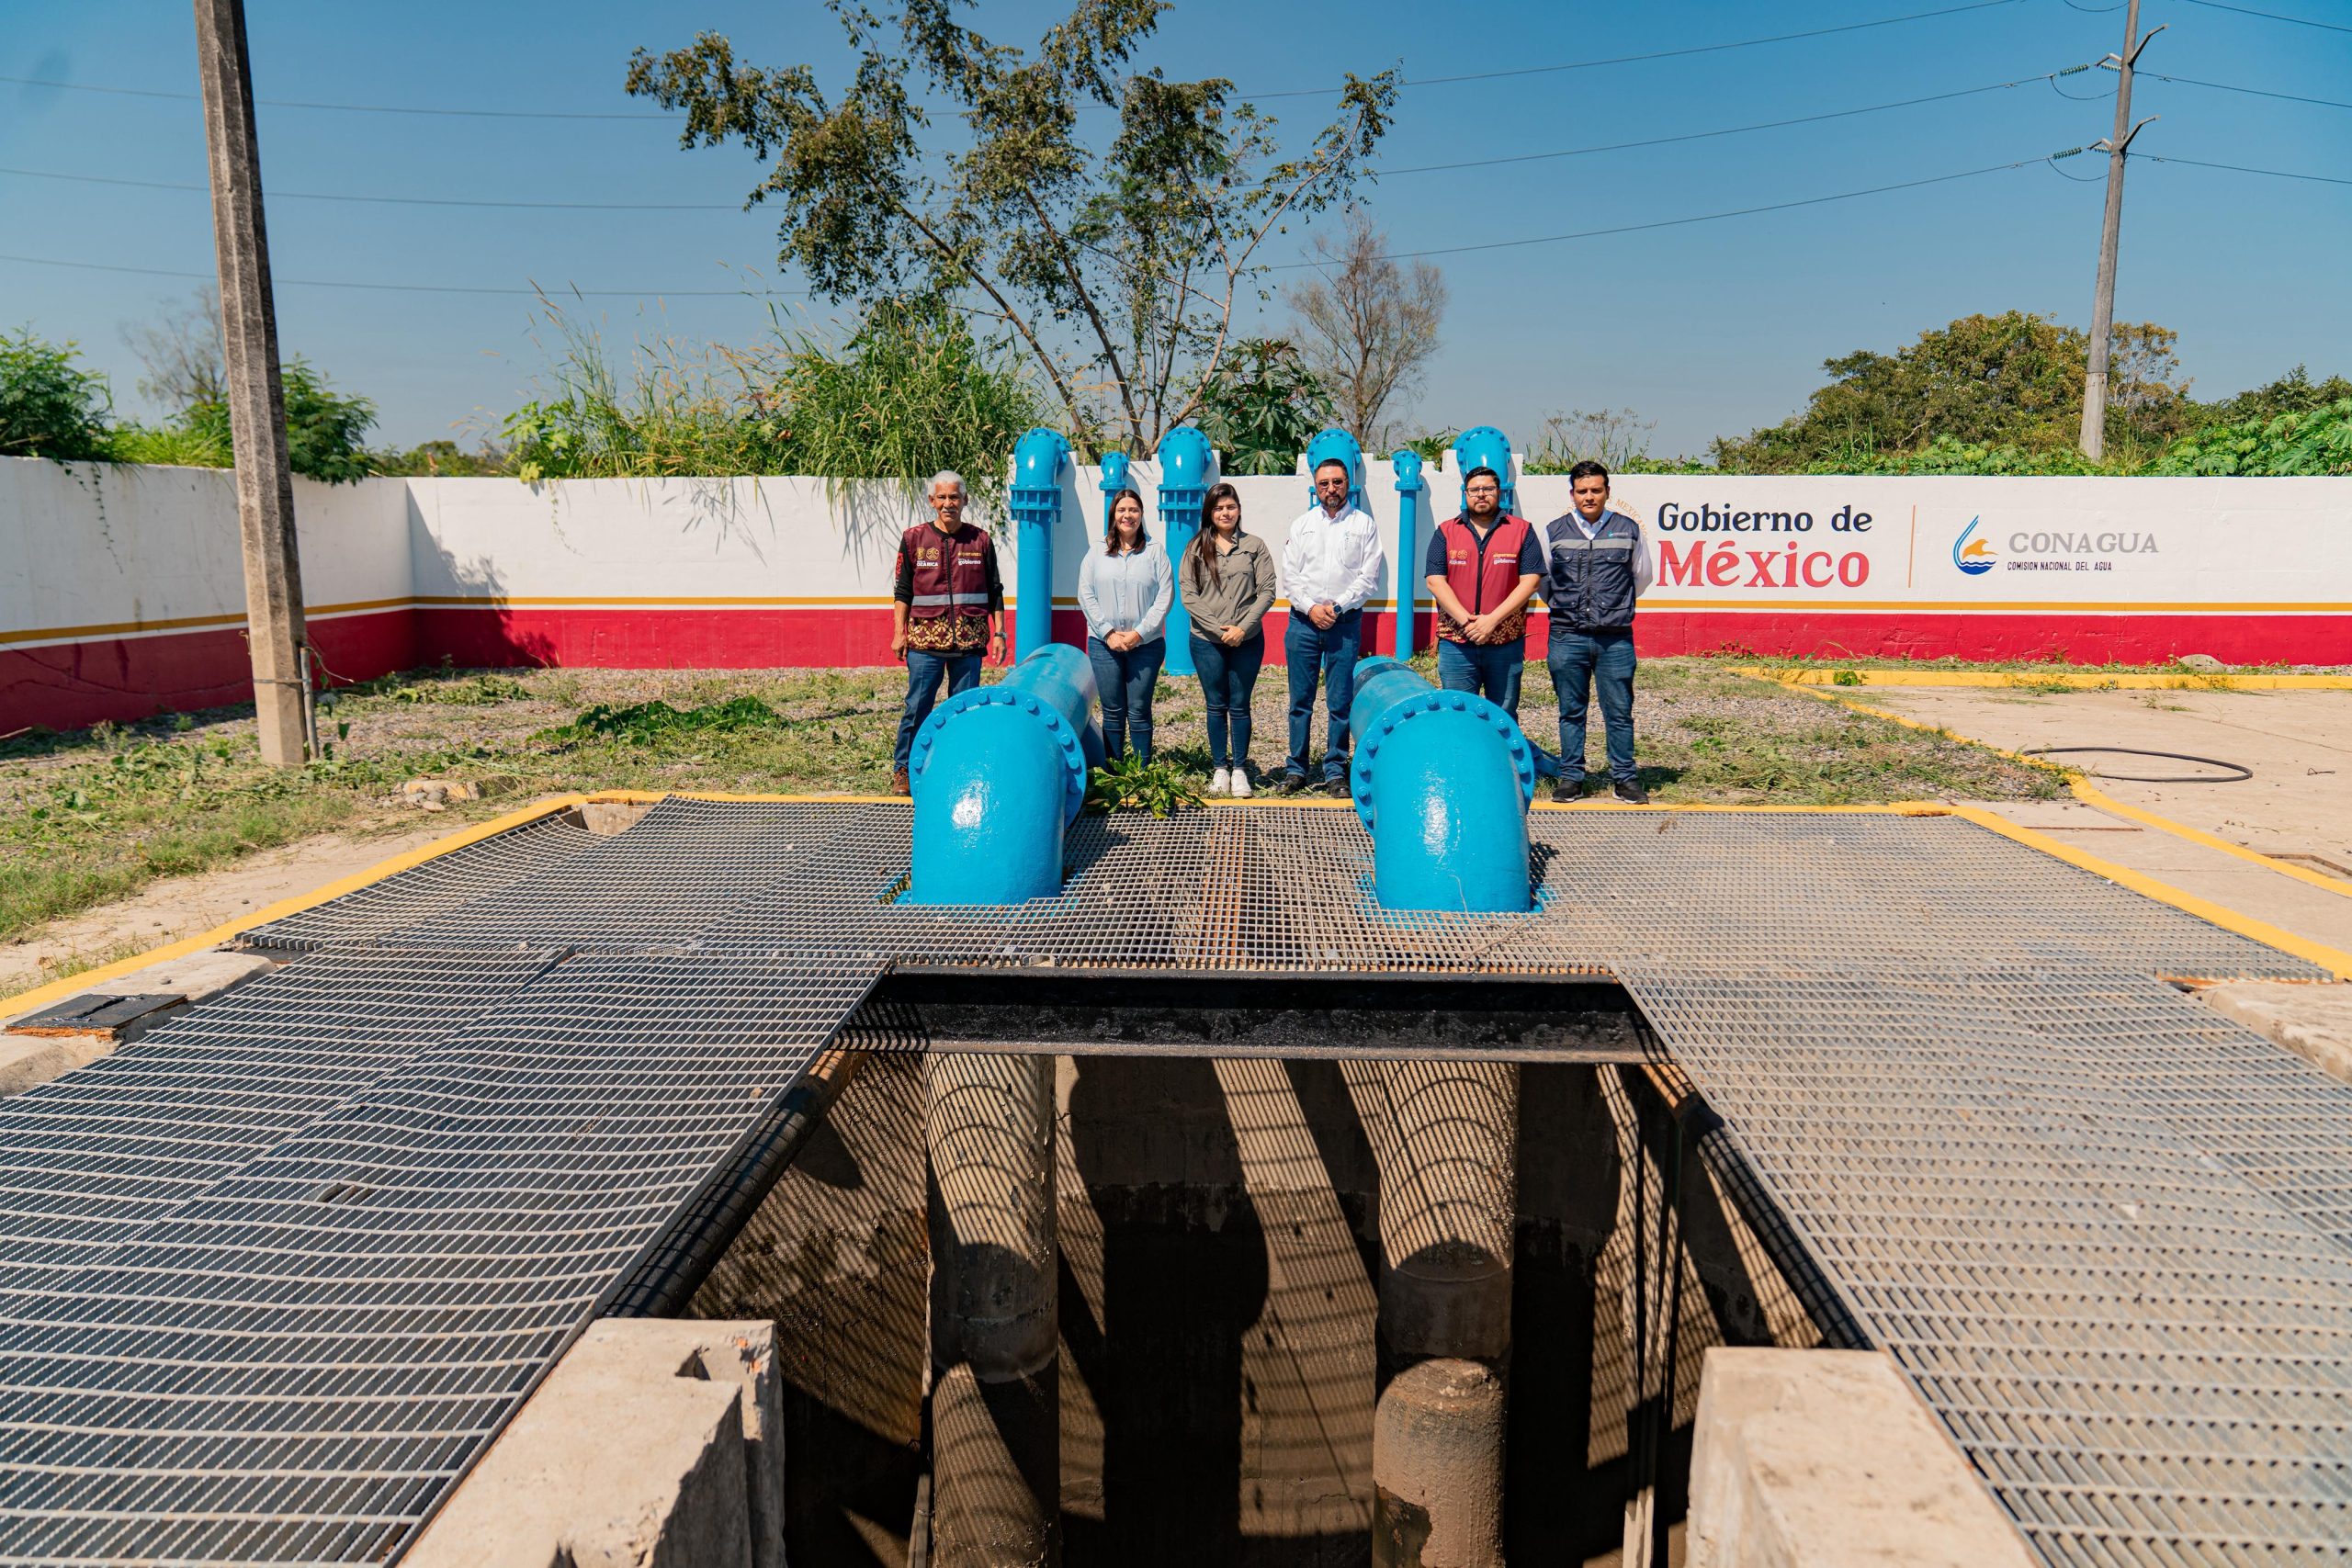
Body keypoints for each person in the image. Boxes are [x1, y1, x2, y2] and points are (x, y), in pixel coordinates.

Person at [1541, 460, 1656, 803]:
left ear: (1607, 492)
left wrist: (1613, 607)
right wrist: (1567, 606)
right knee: (1570, 710)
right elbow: (1544, 581)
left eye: (1595, 490)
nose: (1589, 497)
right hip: (1567, 635)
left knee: (1619, 711)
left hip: (1614, 638)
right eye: (1582, 491)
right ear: (1572, 494)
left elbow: (1642, 577)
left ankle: (1625, 779)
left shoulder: (1628, 530)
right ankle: (1572, 778)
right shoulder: (1553, 531)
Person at [890, 470, 1006, 795]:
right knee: (917, 707)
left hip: (969, 643)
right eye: (941, 497)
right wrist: (899, 632)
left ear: (965, 500)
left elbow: (995, 590)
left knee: (965, 711)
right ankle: (904, 769)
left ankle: (960, 769)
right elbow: (902, 590)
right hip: (924, 643)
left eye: (954, 497)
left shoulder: (980, 540)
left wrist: (1000, 633)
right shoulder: (913, 539)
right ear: (931, 501)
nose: (948, 503)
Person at [1279, 457, 1383, 795]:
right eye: (1324, 484)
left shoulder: (1364, 525)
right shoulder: (1302, 525)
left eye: (1337, 482)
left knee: (1339, 702)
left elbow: (1369, 578)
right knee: (1300, 701)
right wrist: (1312, 608)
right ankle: (1296, 769)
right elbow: (1290, 576)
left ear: (1348, 484)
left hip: (1344, 623)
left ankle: (1335, 770)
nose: (1331, 489)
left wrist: (1336, 607)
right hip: (1303, 623)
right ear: (1316, 487)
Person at [1178, 481, 1277, 795]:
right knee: (1215, 704)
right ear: (1209, 513)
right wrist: (1219, 629)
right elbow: (1189, 594)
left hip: (1247, 640)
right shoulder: (1195, 548)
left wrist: (1242, 628)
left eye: (1230, 507)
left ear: (1239, 510)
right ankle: (1220, 768)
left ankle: (1240, 770)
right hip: (1206, 641)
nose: (1225, 513)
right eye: (1219, 508)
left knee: (1240, 705)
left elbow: (1267, 591)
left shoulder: (1255, 546)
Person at [1423, 466, 1542, 716]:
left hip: (1504, 641)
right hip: (1457, 642)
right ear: (1465, 493)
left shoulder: (1522, 531)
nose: (1481, 494)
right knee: (1458, 713)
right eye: (1474, 489)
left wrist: (1491, 621)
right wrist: (1468, 622)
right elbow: (1435, 581)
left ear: (1499, 492)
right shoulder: (1446, 531)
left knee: (1503, 714)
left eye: (1488, 489)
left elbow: (1530, 581)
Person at [1078, 489, 1175, 764]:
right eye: (1122, 510)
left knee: (1139, 709)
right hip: (1103, 644)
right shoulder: (1096, 551)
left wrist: (1139, 633)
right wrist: (1107, 633)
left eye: (1133, 510)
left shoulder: (1155, 552)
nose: (1127, 515)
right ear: (1113, 514)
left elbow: (1165, 597)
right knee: (1112, 710)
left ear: (1141, 515)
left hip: (1146, 645)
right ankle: (1115, 770)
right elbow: (1085, 593)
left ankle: (1142, 772)